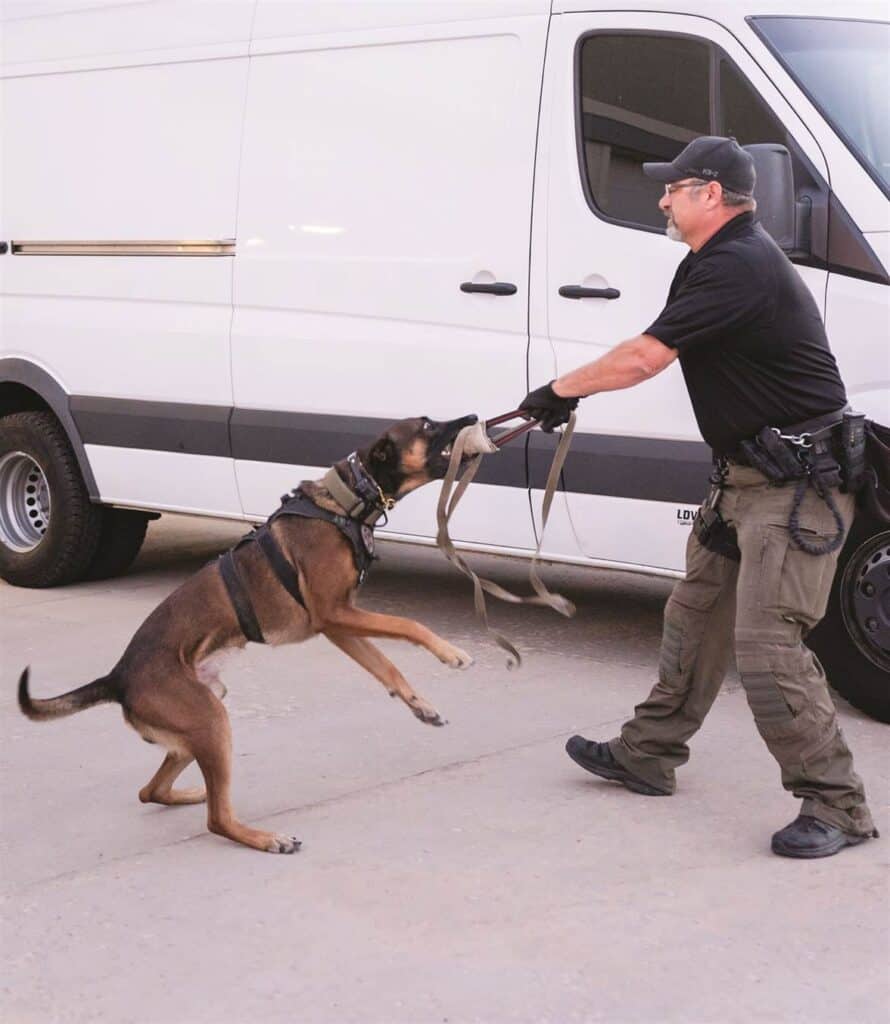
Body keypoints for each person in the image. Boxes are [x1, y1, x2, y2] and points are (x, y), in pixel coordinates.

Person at [520, 136, 877, 858]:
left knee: (769, 642)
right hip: (744, 480)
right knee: (695, 615)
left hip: (794, 489)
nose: (661, 199)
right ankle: (648, 754)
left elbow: (647, 356)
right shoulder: (711, 260)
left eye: (672, 188)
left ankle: (838, 805)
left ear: (709, 194)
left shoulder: (740, 264)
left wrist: (556, 392)